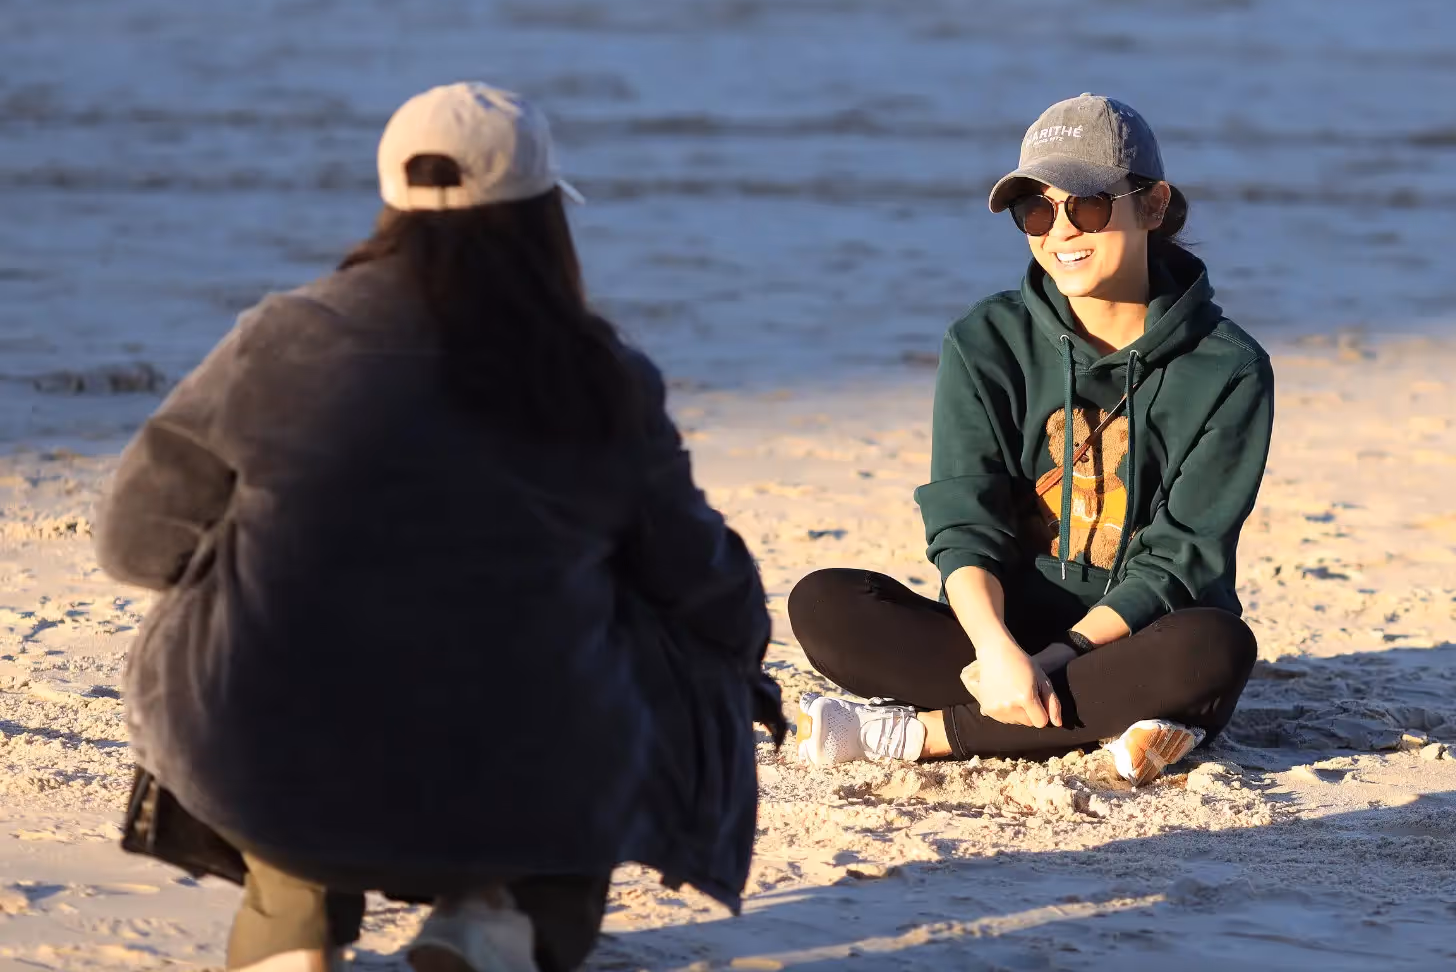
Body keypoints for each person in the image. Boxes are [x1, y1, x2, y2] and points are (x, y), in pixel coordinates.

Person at [96, 83, 779, 972]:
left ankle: (291, 925)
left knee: (243, 607)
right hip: (521, 782)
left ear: (391, 199)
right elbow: (705, 587)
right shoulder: (597, 372)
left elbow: (135, 543)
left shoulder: (281, 339)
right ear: (542, 214)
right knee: (660, 635)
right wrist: (737, 660)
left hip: (270, 769)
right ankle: (501, 922)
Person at [787, 94, 1272, 785]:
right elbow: (964, 516)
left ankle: (913, 735)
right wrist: (998, 648)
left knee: (1214, 650)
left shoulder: (1228, 367)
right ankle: (1116, 726)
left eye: (1089, 205)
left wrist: (1050, 663)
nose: (1060, 231)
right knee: (825, 605)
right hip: (1001, 635)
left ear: (1154, 206)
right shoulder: (985, 341)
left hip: (1141, 637)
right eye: (1037, 211)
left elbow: (1180, 560)